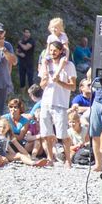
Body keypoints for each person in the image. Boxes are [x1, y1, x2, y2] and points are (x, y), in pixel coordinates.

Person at [38, 40, 77, 168]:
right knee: (46, 133)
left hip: (60, 103)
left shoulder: (68, 65)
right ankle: (50, 158)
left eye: (55, 50)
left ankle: (68, 160)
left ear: (61, 51)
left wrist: (59, 82)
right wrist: (44, 80)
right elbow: (42, 85)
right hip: (46, 102)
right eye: (50, 50)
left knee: (63, 134)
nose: (52, 52)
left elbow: (73, 87)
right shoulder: (46, 64)